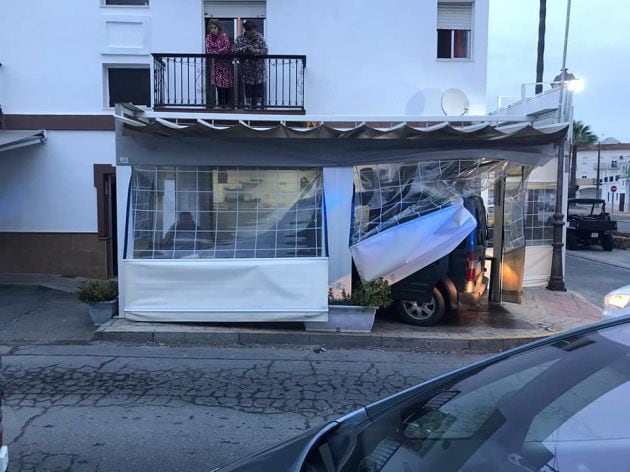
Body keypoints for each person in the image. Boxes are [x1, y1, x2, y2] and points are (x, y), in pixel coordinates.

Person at [233, 20, 268, 109]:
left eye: (253, 31)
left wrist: (254, 51)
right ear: (246, 31)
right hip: (246, 70)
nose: (252, 33)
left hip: (259, 69)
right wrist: (244, 49)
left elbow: (265, 51)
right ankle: (248, 105)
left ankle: (259, 106)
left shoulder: (260, 37)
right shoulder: (240, 38)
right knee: (248, 89)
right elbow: (233, 51)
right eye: (250, 32)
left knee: (259, 88)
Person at [206, 19, 233, 108]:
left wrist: (216, 51)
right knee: (218, 85)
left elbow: (227, 48)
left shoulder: (224, 36)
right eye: (211, 28)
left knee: (226, 86)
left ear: (218, 28)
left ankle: (226, 104)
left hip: (225, 65)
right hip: (216, 65)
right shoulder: (209, 37)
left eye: (215, 27)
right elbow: (209, 50)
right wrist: (219, 51)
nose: (213, 30)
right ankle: (221, 104)